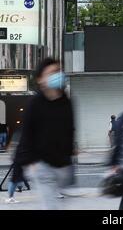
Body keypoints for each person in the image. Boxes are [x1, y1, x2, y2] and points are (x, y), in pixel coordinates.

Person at [14, 58, 75, 210]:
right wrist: (31, 163)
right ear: (41, 79)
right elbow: (26, 135)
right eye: (53, 72)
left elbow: (70, 131)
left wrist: (69, 157)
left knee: (57, 204)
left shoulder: (67, 102)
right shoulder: (35, 103)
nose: (58, 74)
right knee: (51, 207)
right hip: (41, 166)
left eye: (59, 71)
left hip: (61, 166)